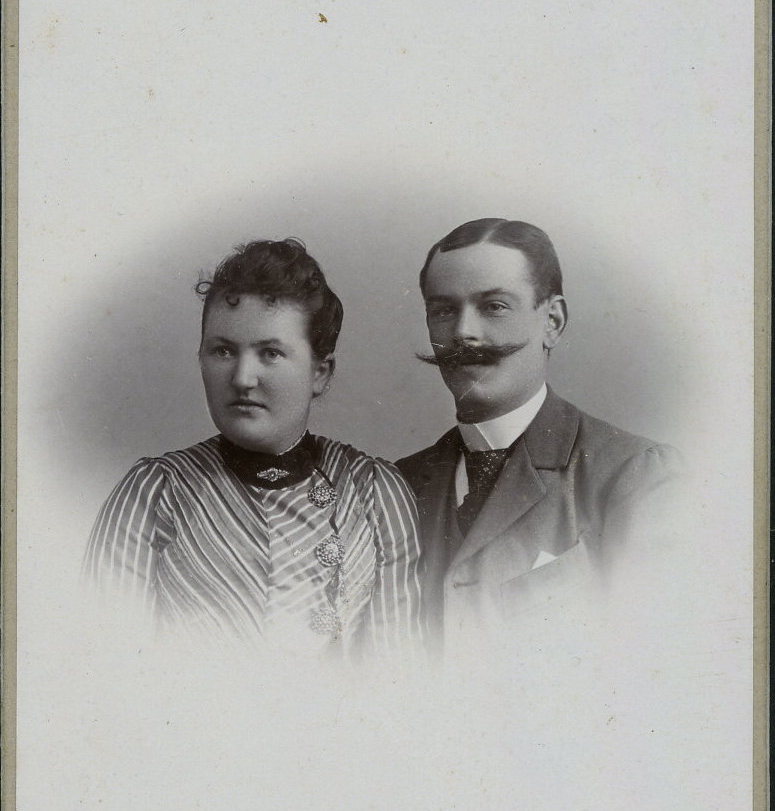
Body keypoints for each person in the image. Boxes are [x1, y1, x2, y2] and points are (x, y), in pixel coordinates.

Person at [85, 238, 423, 660]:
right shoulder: (153, 493)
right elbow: (106, 666)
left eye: (271, 353)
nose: (243, 378)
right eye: (223, 351)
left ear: (320, 373)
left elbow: (398, 673)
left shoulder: (374, 492)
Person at [396, 218, 683, 651]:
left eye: (494, 306)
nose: (463, 332)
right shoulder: (396, 485)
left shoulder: (635, 476)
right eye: (444, 310)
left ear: (552, 321)